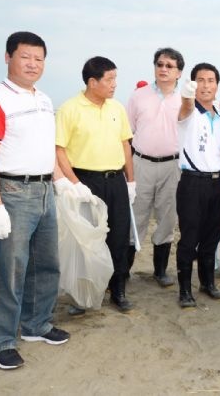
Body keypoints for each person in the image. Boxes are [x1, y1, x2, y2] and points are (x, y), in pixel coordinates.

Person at [0, 31, 70, 370]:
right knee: (8, 271)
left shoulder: (43, 99)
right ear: (8, 57)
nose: (32, 64)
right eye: (25, 56)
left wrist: (61, 182)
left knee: (46, 264)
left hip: (44, 190)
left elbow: (45, 149)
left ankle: (36, 325)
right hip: (13, 193)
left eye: (39, 58)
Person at [56, 56, 136, 313]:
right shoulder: (70, 108)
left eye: (115, 78)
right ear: (93, 82)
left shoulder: (116, 108)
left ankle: (118, 290)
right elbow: (60, 150)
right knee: (87, 240)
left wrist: (131, 180)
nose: (114, 84)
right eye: (109, 79)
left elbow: (125, 144)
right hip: (85, 181)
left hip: (116, 181)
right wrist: (74, 183)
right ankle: (85, 295)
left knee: (119, 236)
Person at [126, 48, 184, 287]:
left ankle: (159, 271)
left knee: (167, 218)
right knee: (135, 216)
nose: (163, 69)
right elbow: (126, 134)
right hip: (141, 163)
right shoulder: (138, 96)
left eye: (170, 66)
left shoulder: (185, 101)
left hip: (172, 166)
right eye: (160, 64)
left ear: (179, 72)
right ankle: (124, 271)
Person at [175, 63, 220, 308]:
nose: (206, 85)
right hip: (193, 184)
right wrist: (187, 94)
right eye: (200, 80)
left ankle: (207, 283)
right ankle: (185, 290)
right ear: (193, 84)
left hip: (218, 184)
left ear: (217, 85)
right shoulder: (189, 112)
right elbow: (185, 106)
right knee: (189, 238)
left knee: (212, 236)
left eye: (210, 80)